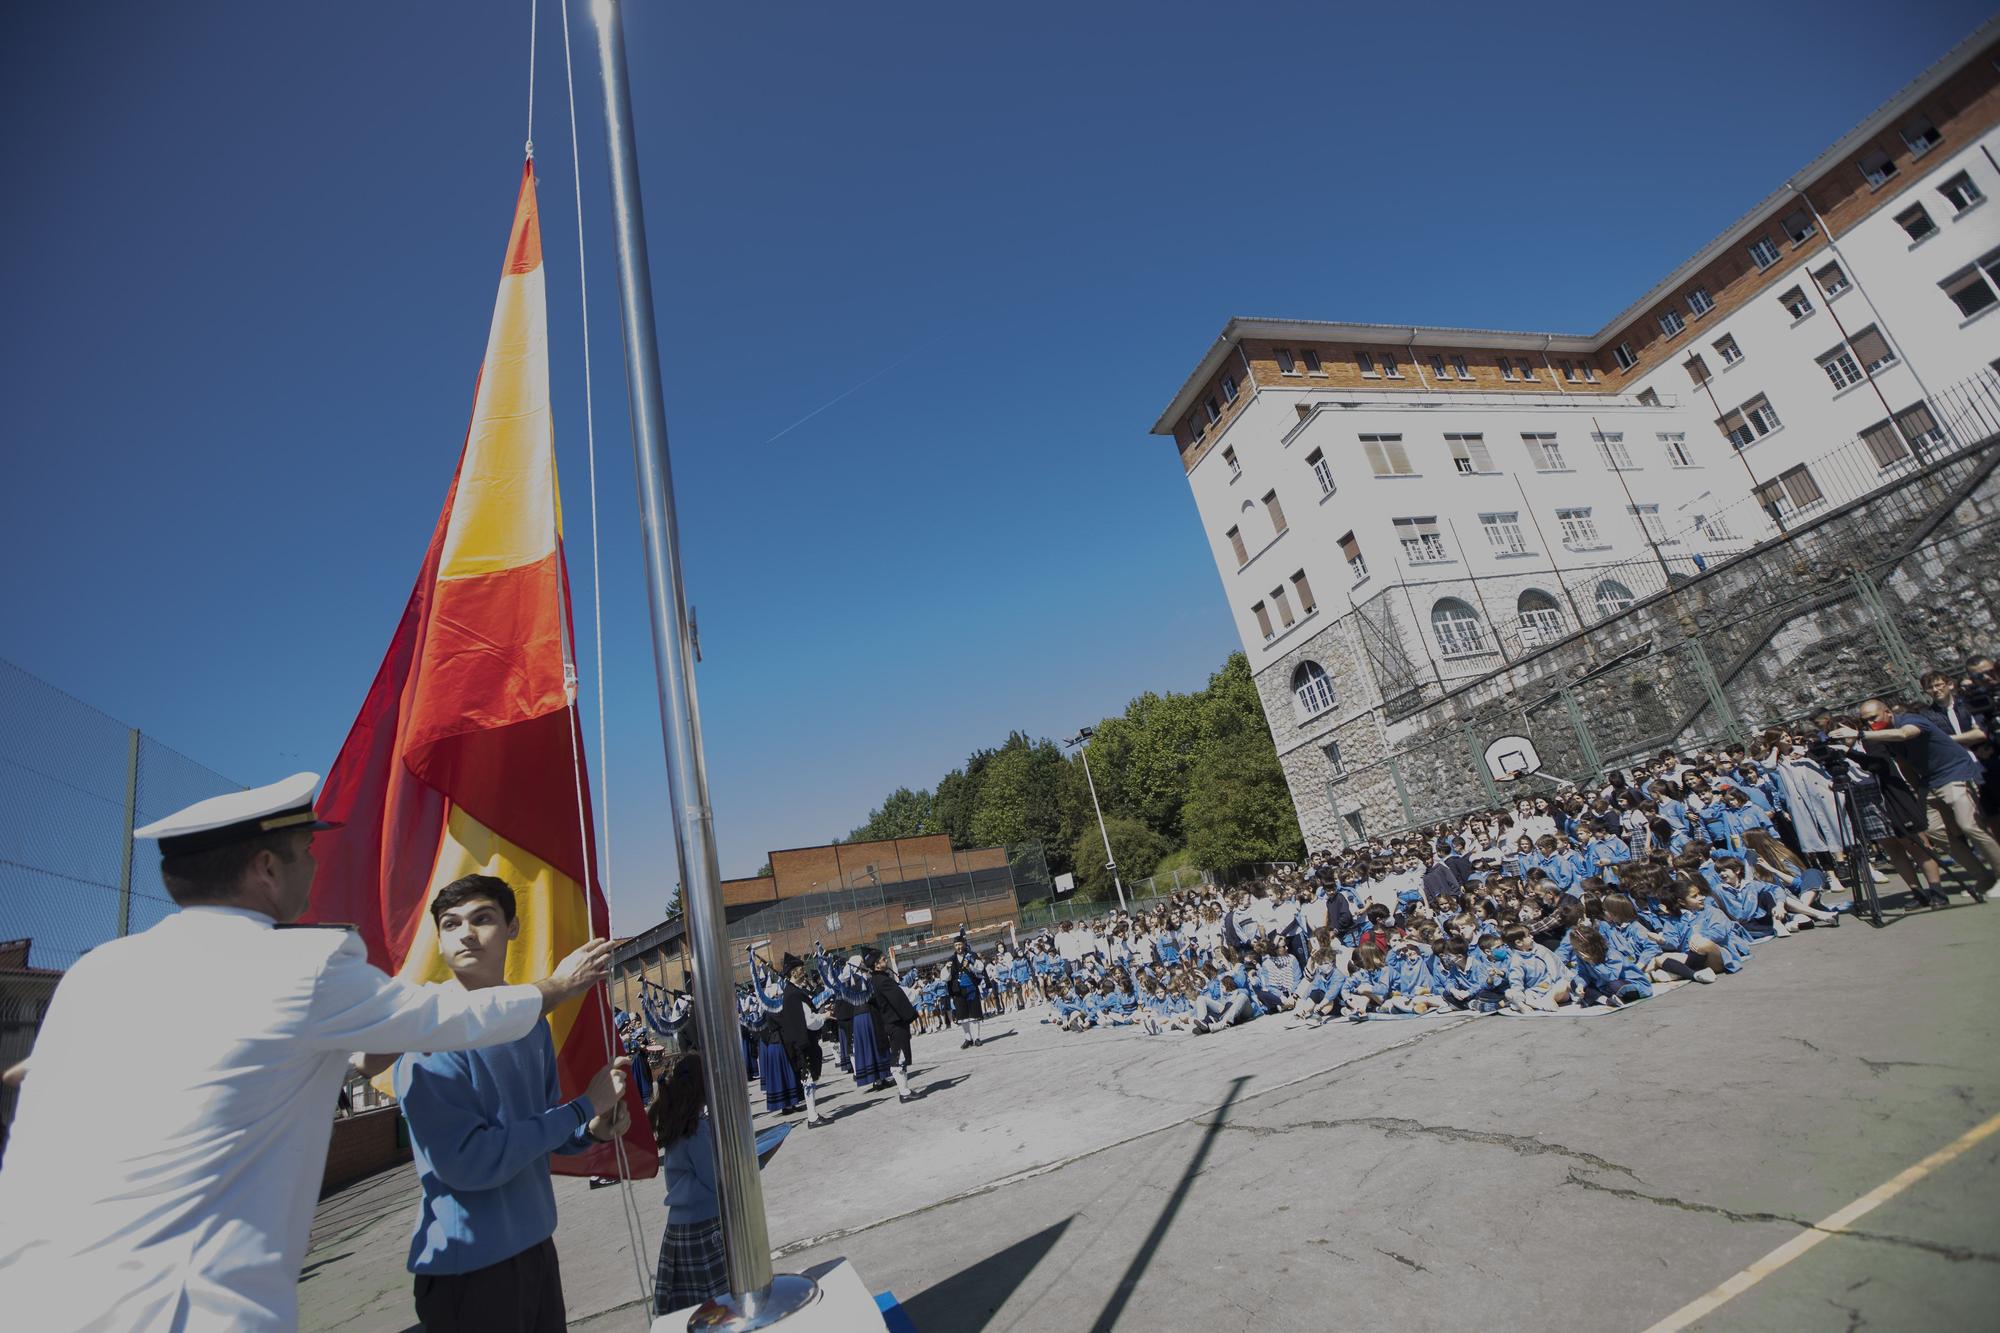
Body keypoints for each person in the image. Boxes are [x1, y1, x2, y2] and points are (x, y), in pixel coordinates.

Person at [0, 773, 614, 1333]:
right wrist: (556, 988)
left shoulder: (101, 972)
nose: (315, 870)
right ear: (267, 867)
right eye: (306, 853)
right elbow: (438, 1020)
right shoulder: (307, 965)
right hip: (192, 1307)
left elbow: (41, 1082)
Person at [391, 875, 632, 1333]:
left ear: (513, 928)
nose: (465, 933)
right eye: (450, 923)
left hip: (536, 1247)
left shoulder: (530, 1025)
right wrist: (581, 1109)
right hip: (471, 1268)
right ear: (438, 940)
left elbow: (539, 1131)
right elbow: (469, 1162)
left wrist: (593, 1128)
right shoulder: (427, 1038)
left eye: (482, 918)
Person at [1857, 697, 1997, 901]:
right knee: (1934, 831)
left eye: (1873, 718)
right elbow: (1904, 764)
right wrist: (1918, 793)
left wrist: (1861, 734)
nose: (1870, 723)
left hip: (1955, 773)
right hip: (1928, 783)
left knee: (1969, 825)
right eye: (1865, 721)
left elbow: (1906, 734)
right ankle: (1983, 878)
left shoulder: (1909, 720)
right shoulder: (1884, 736)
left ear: (1887, 712)